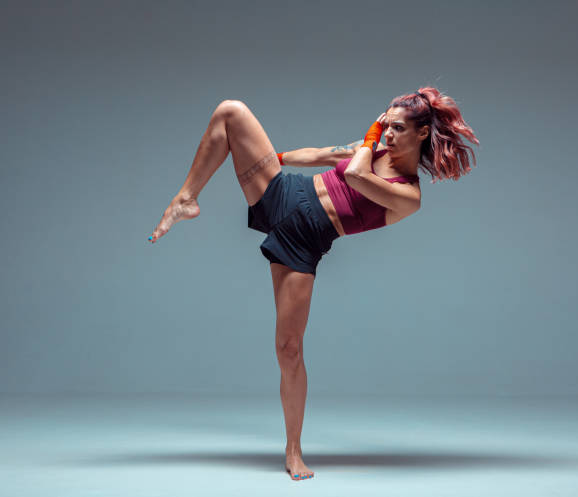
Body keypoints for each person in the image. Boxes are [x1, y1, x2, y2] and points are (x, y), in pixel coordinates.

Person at [147, 88, 479, 481]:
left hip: (305, 239)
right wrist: (270, 159)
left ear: (422, 133)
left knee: (288, 350)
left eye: (397, 128)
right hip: (284, 194)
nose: (388, 134)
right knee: (230, 112)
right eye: (386, 125)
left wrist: (371, 135)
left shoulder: (407, 195)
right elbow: (319, 155)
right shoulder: (370, 149)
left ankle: (293, 450)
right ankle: (186, 197)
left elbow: (355, 177)